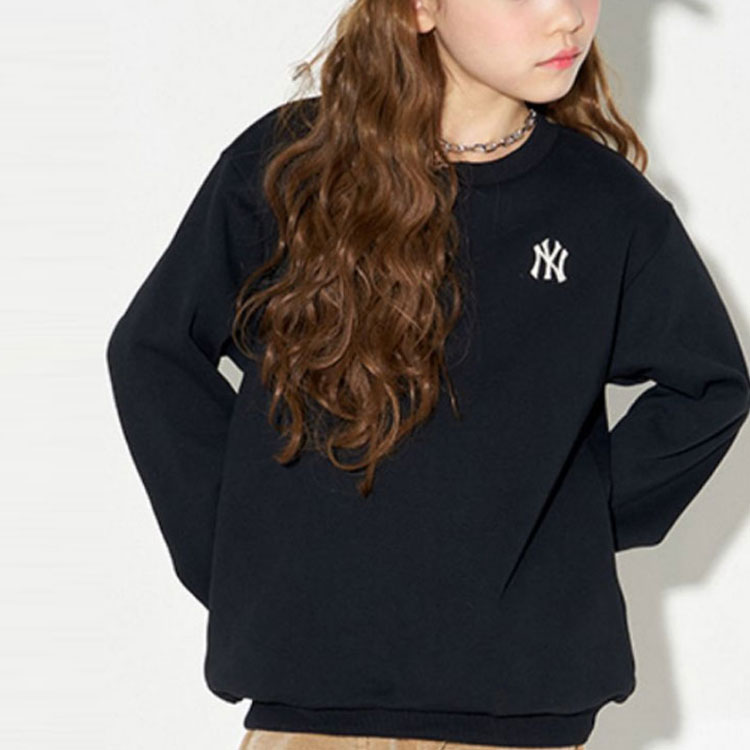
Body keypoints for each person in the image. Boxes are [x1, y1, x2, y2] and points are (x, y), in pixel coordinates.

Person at [105, 0, 750, 748]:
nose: (568, 17)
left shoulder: (605, 205)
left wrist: (563, 530)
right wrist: (236, 555)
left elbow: (708, 387)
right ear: (420, 8)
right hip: (313, 716)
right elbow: (155, 352)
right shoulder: (292, 166)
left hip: (520, 718)